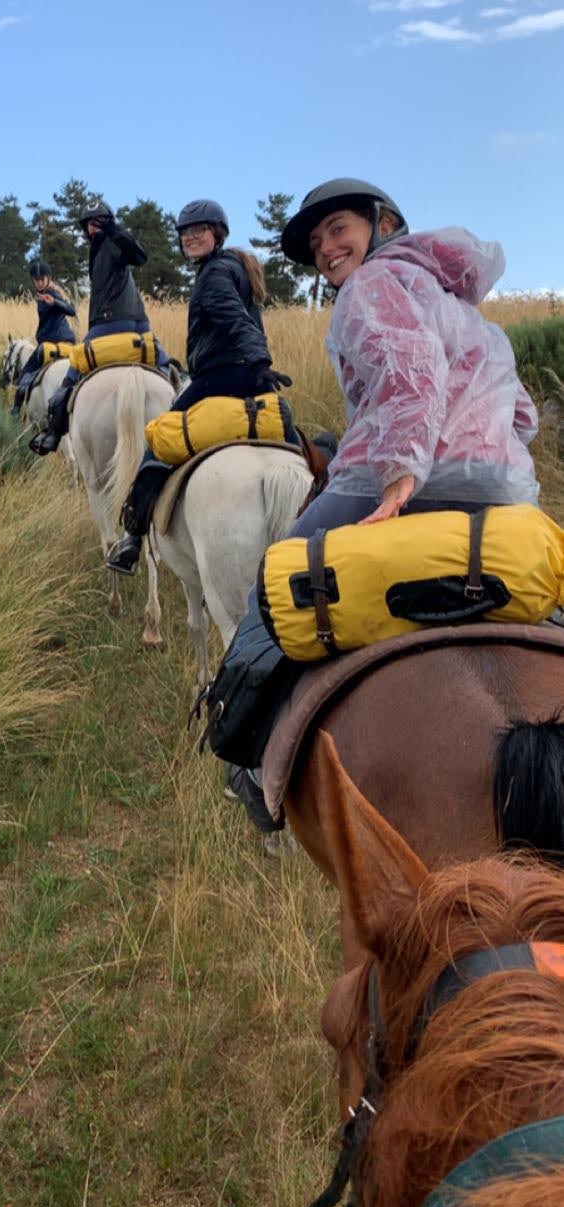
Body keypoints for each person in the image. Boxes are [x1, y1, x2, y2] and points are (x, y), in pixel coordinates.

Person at [214, 176, 540, 828]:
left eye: (338, 229)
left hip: (395, 478)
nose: (327, 249)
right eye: (316, 242)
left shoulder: (369, 286)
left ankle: (247, 758)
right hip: (501, 491)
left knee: (273, 581)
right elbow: (523, 415)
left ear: (382, 224)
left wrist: (401, 474)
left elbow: (408, 372)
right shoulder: (458, 304)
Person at [106, 197, 294, 574]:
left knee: (158, 442)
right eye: (185, 233)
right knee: (289, 434)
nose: (191, 237)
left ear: (217, 234)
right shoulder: (234, 266)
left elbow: (235, 319)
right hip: (251, 377)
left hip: (217, 378)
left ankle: (132, 537)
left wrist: (260, 360)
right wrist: (259, 367)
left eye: (199, 230)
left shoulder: (214, 274)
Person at [29, 200, 168, 456]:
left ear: (108, 223)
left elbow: (140, 255)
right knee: (163, 360)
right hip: (137, 323)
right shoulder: (100, 249)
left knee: (72, 373)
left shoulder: (114, 242)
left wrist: (114, 230)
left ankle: (53, 432)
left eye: (97, 223)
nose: (92, 229)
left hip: (109, 324)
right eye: (89, 225)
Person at [10, 259, 77, 418]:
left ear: (49, 279)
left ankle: (15, 410)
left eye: (42, 279)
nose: (40, 282)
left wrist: (54, 302)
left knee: (25, 373)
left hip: (51, 344)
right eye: (37, 280)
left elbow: (71, 310)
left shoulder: (52, 294)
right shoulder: (44, 295)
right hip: (69, 343)